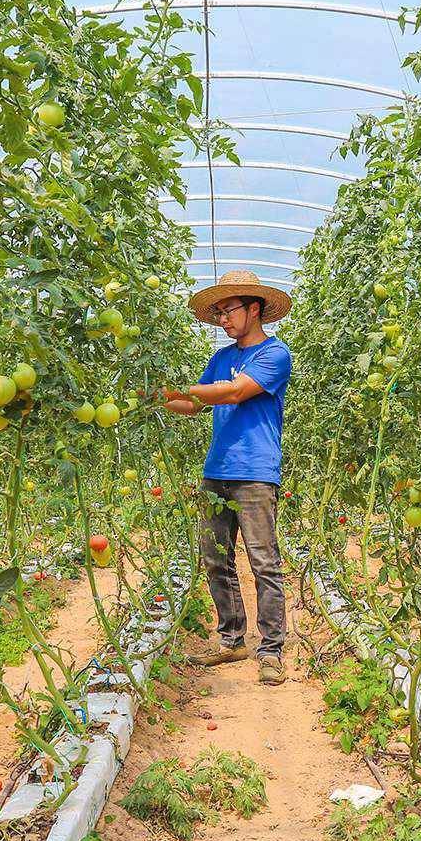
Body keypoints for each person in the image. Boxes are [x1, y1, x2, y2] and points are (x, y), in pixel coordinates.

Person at [161, 269, 294, 684]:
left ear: (254, 309)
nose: (223, 319)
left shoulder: (275, 354)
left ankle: (270, 650)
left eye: (229, 310)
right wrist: (161, 397)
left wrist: (189, 390)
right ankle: (232, 639)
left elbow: (236, 393)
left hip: (255, 473)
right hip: (215, 471)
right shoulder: (220, 360)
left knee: (263, 563)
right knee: (215, 559)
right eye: (218, 312)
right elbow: (195, 404)